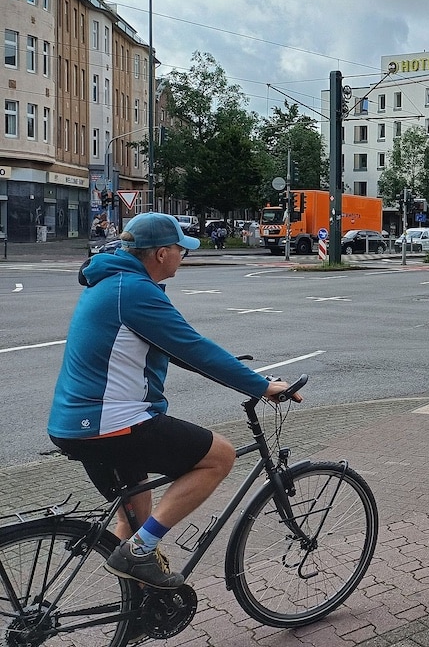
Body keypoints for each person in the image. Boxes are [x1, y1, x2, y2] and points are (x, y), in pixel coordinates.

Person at [48, 212, 292, 590]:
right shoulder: (133, 291)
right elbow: (194, 349)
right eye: (181, 248)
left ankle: (137, 611)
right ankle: (141, 553)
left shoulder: (113, 282)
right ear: (161, 253)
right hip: (112, 422)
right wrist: (260, 386)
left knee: (135, 515)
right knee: (219, 456)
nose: (185, 255)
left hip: (75, 423)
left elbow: (174, 347)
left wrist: (236, 374)